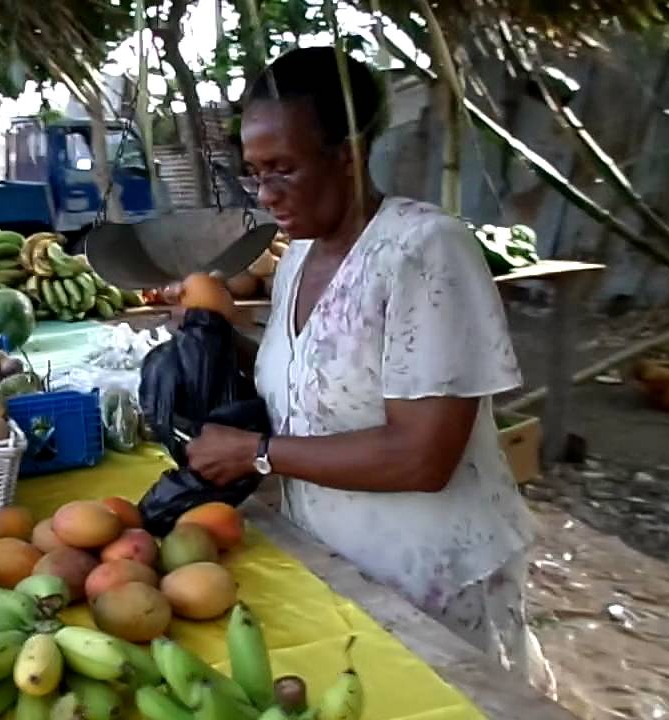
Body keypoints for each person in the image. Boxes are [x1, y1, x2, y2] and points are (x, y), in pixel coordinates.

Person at [185, 47, 551, 690]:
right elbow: (309, 374)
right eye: (254, 173)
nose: (266, 195)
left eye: (284, 170)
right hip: (339, 566)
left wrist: (258, 452)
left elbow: (421, 458)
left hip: (431, 578)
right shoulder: (299, 256)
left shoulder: (424, 250)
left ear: (348, 155)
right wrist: (205, 335)